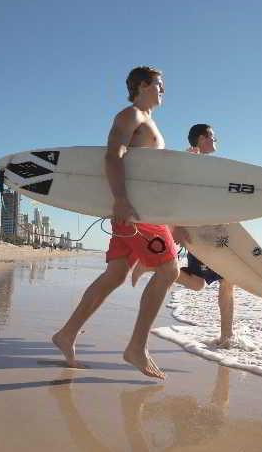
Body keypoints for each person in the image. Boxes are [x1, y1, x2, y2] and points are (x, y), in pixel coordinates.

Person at [52, 66, 180, 379]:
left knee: (116, 274)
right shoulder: (131, 115)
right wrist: (121, 199)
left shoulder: (148, 120)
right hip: (135, 211)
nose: (164, 91)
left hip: (134, 209)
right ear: (143, 85)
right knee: (169, 270)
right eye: (159, 85)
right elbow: (112, 155)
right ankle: (137, 346)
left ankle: (67, 334)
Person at [132, 124, 236, 347]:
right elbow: (176, 195)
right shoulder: (190, 161)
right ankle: (153, 265)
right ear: (201, 138)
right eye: (212, 136)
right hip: (199, 233)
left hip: (214, 231)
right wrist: (175, 226)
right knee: (212, 282)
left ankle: (227, 336)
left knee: (218, 282)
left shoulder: (207, 165)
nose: (216, 139)